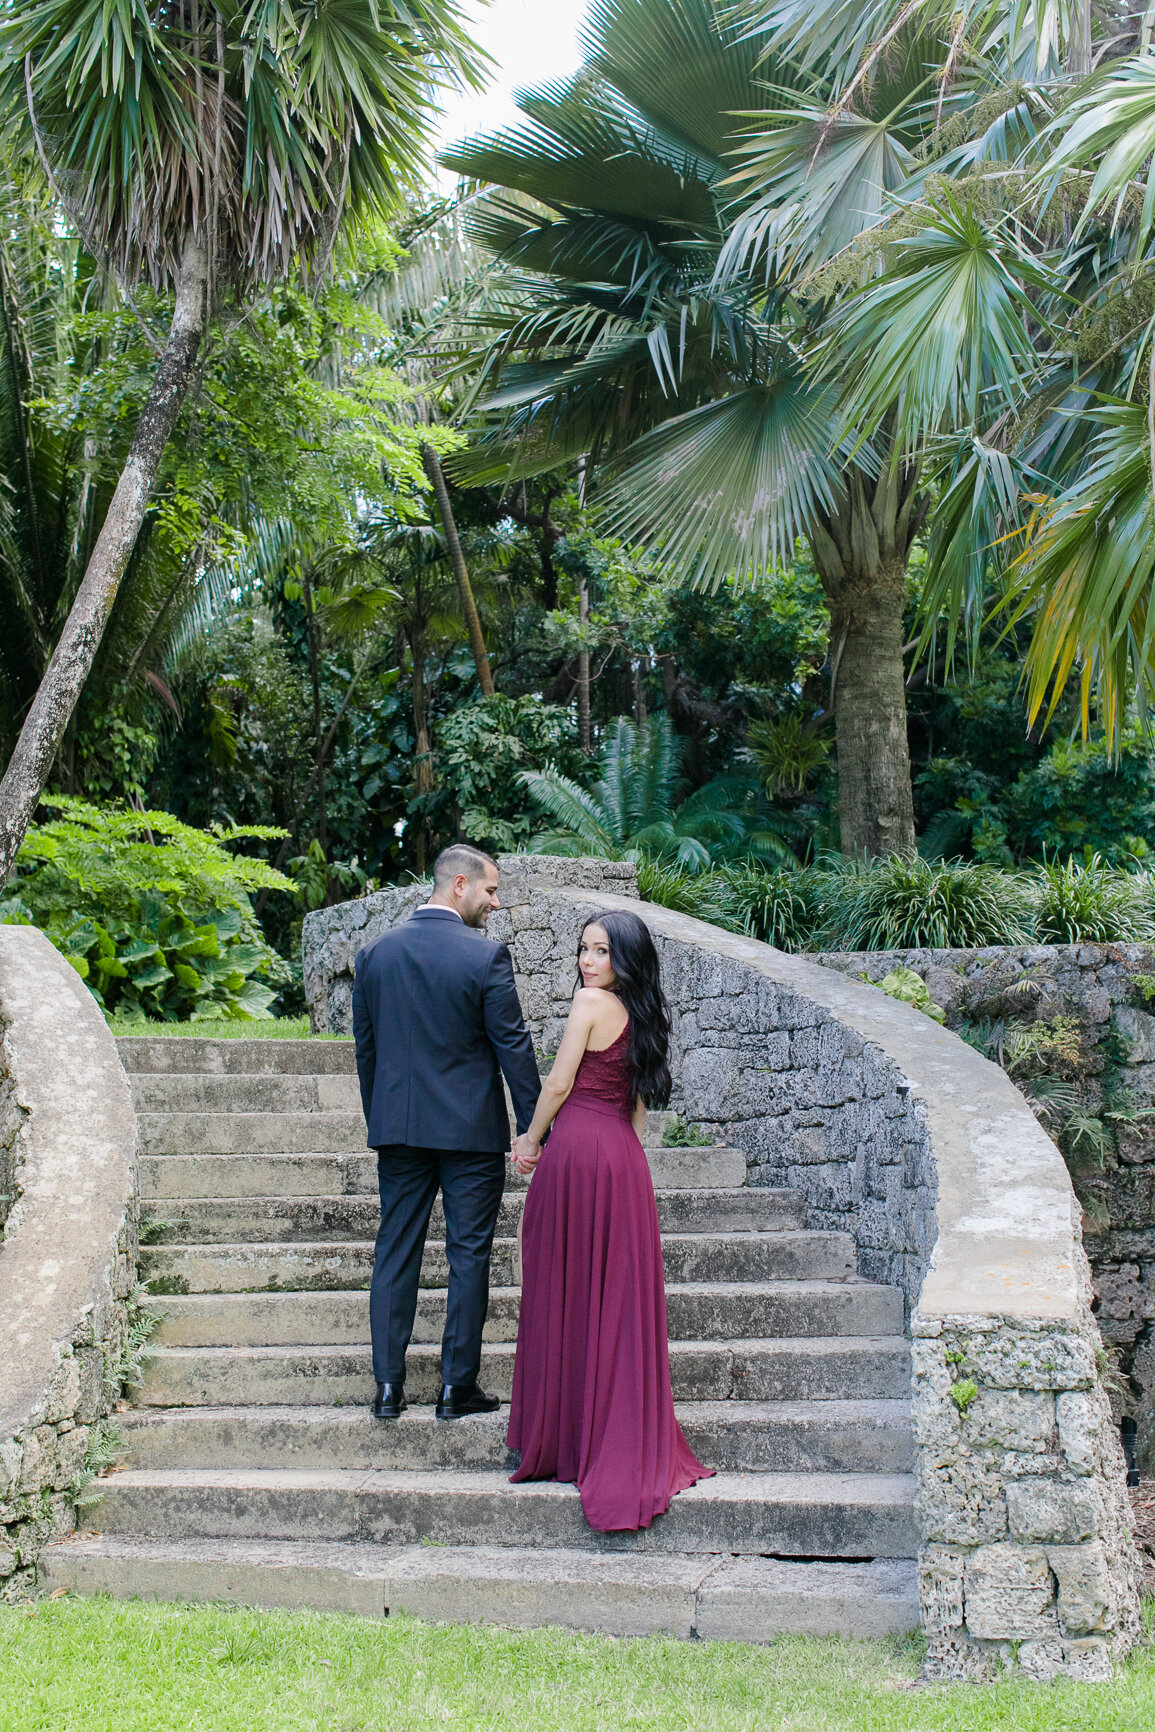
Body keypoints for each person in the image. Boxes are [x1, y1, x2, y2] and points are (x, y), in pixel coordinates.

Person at [507, 908, 712, 1531]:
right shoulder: (646, 1016)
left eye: (599, 951)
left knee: (559, 1285)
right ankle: (596, 1432)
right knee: (611, 1299)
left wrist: (529, 1140)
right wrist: (625, 1164)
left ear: (624, 960)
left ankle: (567, 1439)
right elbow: (640, 1114)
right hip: (622, 1160)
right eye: (583, 949)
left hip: (576, 1152)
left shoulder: (589, 1004)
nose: (587, 961)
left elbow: (560, 1082)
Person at [352, 844, 540, 1422]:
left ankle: (388, 1388)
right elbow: (514, 1048)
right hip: (470, 1136)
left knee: (395, 1250)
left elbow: (367, 1053)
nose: (496, 902)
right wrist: (536, 1128)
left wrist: (382, 1117)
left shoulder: (375, 953)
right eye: (490, 890)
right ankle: (457, 1389)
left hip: (400, 1130)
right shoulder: (484, 958)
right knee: (468, 1256)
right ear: (459, 885)